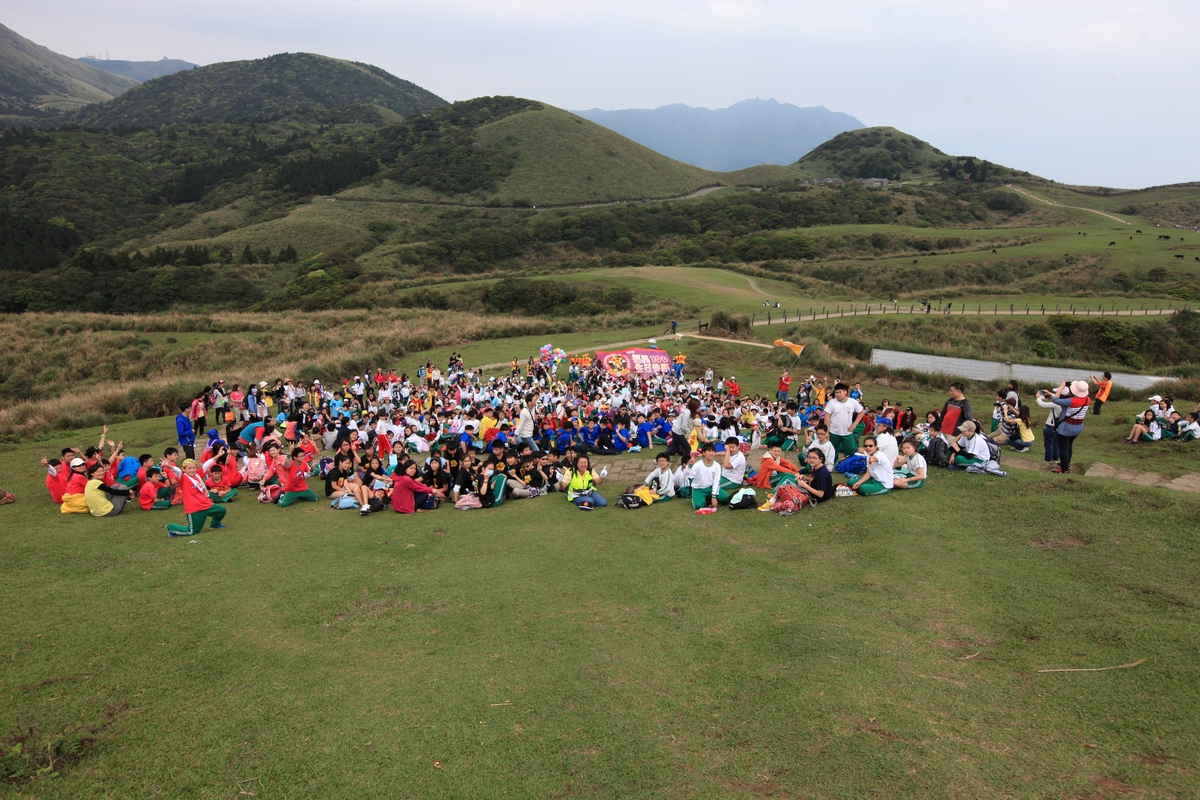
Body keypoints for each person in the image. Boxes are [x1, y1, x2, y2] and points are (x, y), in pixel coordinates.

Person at [166, 459, 227, 537]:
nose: (192, 470)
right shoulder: (183, 477)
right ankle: (171, 528)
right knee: (193, 531)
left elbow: (206, 465)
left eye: (193, 468)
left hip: (206, 504)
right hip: (195, 508)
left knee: (221, 510)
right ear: (184, 469)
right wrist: (169, 466)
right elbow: (177, 471)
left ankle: (215, 524)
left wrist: (218, 456)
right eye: (189, 468)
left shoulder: (197, 474)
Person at [1049, 380, 1089, 474]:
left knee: (1063, 448)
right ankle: (1066, 464)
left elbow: (1054, 400)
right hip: (1078, 427)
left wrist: (1062, 387)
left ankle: (1064, 469)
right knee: (1069, 446)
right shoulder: (1087, 400)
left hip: (1067, 428)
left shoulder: (1071, 401)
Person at [824, 382, 866, 458]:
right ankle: (832, 466)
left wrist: (854, 424)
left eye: (840, 392)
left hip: (847, 431)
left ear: (845, 392)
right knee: (833, 450)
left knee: (850, 450)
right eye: (836, 392)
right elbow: (827, 417)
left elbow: (861, 412)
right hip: (833, 431)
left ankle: (847, 465)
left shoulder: (852, 402)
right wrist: (826, 431)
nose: (838, 394)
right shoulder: (831, 402)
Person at [687, 443, 724, 510]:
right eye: (709, 451)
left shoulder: (717, 465)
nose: (711, 453)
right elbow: (689, 476)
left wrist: (713, 496)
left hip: (710, 487)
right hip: (699, 488)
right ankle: (706, 499)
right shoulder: (697, 465)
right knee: (697, 506)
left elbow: (716, 481)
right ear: (703, 453)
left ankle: (709, 498)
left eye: (713, 451)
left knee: (725, 498)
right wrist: (690, 466)